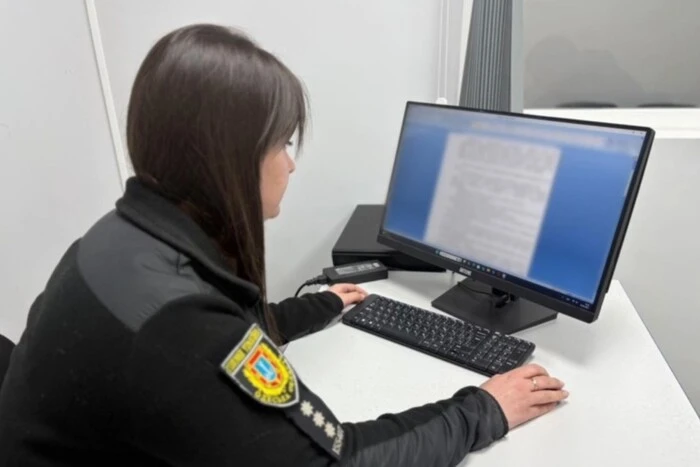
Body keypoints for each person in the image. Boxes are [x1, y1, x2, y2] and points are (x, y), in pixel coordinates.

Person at [0, 24, 568, 466]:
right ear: (232, 160)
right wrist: (484, 409)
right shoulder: (182, 328)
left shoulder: (117, 239)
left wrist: (319, 307)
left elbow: (212, 326)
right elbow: (336, 461)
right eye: (282, 143)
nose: (290, 165)